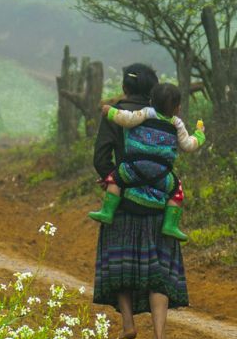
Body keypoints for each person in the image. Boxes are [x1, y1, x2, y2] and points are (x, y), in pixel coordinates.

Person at [91, 63, 190, 339]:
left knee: (122, 265)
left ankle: (128, 326)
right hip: (160, 203)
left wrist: (115, 181)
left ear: (124, 86)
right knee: (157, 272)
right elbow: (185, 146)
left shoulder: (123, 115)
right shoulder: (165, 116)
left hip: (123, 203)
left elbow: (100, 157)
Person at [87, 81, 206, 240]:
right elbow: (188, 145)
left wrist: (110, 112)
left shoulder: (146, 113)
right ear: (178, 108)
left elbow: (126, 119)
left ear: (151, 101)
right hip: (161, 174)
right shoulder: (177, 124)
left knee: (114, 179)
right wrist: (199, 135)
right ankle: (170, 225)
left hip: (134, 167)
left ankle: (107, 211)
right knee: (176, 191)